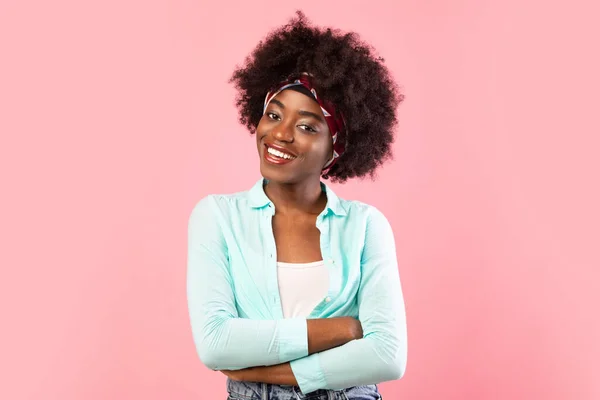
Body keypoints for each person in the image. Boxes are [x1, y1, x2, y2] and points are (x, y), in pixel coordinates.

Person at [187, 10, 407, 400]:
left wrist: (273, 372)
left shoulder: (366, 226)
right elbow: (216, 343)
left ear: (335, 148)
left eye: (307, 126)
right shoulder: (217, 217)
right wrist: (344, 330)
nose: (281, 134)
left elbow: (388, 357)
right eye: (273, 115)